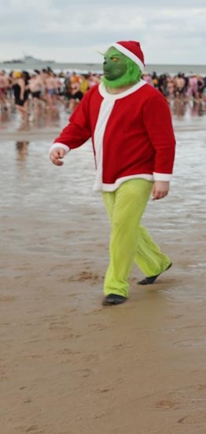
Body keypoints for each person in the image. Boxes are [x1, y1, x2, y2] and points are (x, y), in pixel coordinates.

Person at [48, 41, 175, 306]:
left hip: (139, 173)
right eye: (107, 58)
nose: (108, 63)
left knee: (120, 226)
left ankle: (116, 286)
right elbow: (79, 125)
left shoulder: (151, 97)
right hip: (106, 171)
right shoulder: (95, 93)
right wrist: (62, 145)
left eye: (115, 59)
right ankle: (156, 263)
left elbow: (164, 141)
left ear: (130, 65)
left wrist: (162, 177)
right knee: (125, 225)